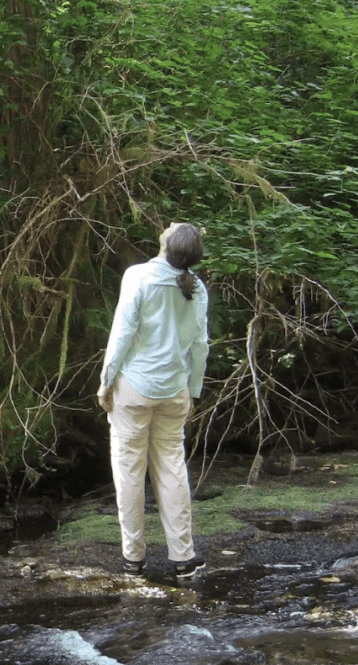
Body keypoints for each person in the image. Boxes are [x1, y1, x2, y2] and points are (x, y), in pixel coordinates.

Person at [97, 222, 209, 581]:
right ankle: (183, 558)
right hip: (175, 390)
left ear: (167, 242)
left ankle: (134, 559)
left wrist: (106, 380)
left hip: (133, 388)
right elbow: (200, 346)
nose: (170, 223)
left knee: (129, 471)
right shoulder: (198, 288)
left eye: (174, 226)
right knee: (173, 467)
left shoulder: (138, 276)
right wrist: (194, 390)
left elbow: (123, 331)